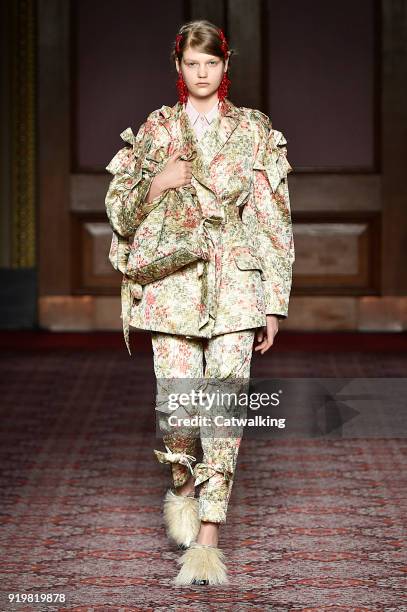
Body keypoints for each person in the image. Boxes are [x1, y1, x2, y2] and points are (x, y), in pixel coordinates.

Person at [104, 19, 295, 586]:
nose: (203, 72)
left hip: (236, 281)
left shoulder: (254, 130)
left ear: (225, 66)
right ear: (179, 67)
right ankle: (182, 486)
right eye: (193, 63)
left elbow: (272, 218)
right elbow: (119, 213)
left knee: (224, 409)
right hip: (173, 287)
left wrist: (274, 301)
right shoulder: (157, 130)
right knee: (179, 412)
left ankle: (209, 538)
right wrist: (159, 182)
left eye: (212, 62)